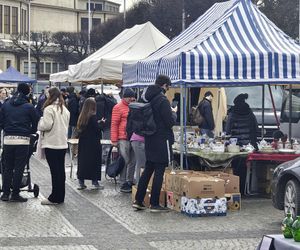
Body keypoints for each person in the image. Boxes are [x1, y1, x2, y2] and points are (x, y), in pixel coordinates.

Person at [133, 75, 176, 212]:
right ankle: (154, 203)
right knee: (159, 170)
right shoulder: (162, 100)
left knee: (148, 169)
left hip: (150, 138)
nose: (168, 89)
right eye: (168, 86)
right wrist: (174, 113)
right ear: (164, 85)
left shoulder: (147, 97)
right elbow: (169, 122)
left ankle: (139, 200)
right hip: (161, 139)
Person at [0, 83, 39, 202]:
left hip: (8, 139)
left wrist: (7, 129)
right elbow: (35, 121)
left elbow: (1, 122)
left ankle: (5, 193)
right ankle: (15, 194)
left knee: (7, 167)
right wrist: (29, 131)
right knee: (19, 167)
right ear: (27, 92)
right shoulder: (29, 106)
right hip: (23, 140)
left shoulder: (6, 105)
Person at [38, 87, 70, 205]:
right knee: (60, 171)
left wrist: (40, 123)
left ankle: (54, 197)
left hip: (52, 143)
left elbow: (46, 125)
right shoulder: (65, 109)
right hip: (62, 143)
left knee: (54, 172)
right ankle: (60, 196)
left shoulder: (49, 109)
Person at [225, 93, 258, 195]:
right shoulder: (250, 113)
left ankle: (236, 188)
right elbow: (255, 128)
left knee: (235, 167)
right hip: (248, 145)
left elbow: (227, 130)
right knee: (245, 168)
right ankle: (243, 190)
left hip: (236, 145)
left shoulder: (232, 113)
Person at [111, 88, 136, 193]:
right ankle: (123, 182)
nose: (132, 99)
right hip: (123, 138)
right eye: (130, 97)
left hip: (133, 137)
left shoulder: (134, 106)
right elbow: (114, 124)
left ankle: (130, 180)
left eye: (133, 97)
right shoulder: (118, 107)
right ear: (125, 97)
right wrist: (114, 140)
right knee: (125, 161)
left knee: (133, 161)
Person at [76, 97, 104, 190]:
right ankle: (95, 182)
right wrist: (102, 123)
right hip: (93, 143)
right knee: (94, 162)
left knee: (83, 161)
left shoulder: (82, 116)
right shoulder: (92, 116)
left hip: (83, 142)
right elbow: (97, 128)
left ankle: (81, 182)